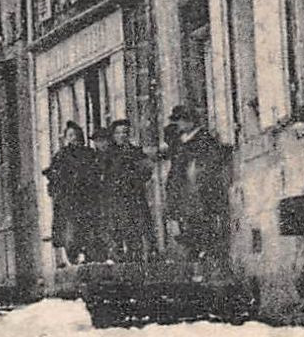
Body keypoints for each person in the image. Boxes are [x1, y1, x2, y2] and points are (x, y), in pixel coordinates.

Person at [161, 106, 231, 260]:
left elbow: (209, 166)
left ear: (189, 121)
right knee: (185, 227)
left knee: (202, 225)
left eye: (180, 120)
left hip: (198, 190)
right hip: (183, 190)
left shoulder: (204, 139)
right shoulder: (180, 142)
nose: (178, 125)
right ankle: (194, 258)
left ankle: (203, 258)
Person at [45, 121, 102, 266]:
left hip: (88, 200)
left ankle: (89, 258)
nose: (74, 138)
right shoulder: (61, 156)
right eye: (70, 135)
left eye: (77, 135)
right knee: (70, 233)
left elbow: (96, 173)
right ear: (65, 138)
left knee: (90, 231)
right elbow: (53, 178)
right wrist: (57, 192)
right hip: (68, 202)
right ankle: (74, 259)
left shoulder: (89, 154)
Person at [98, 119, 153, 261]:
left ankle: (136, 263)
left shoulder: (136, 152)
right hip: (115, 199)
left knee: (135, 232)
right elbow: (102, 175)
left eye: (125, 132)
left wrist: (136, 178)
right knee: (116, 232)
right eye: (118, 133)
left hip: (134, 197)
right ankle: (119, 263)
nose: (122, 135)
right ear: (113, 135)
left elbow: (147, 171)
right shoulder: (108, 155)